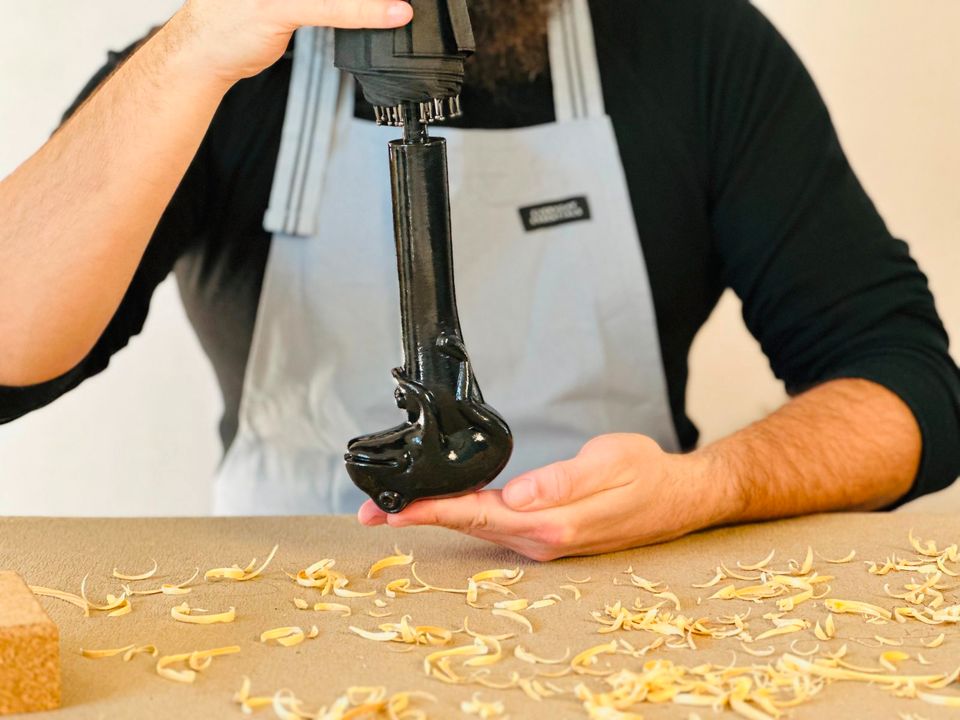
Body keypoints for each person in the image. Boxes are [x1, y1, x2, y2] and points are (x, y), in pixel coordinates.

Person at [1, 0, 957, 561]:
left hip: (621, 618)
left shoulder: (698, 45)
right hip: (284, 608)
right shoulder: (218, 66)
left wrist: (706, 488)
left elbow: (909, 389)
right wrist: (191, 53)